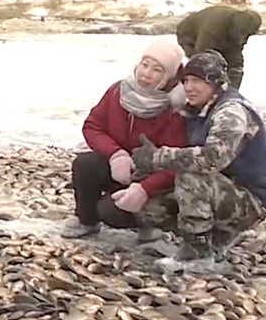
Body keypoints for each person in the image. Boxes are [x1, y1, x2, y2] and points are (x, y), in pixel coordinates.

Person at [132, 50, 266, 261]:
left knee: (192, 176)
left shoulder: (231, 112)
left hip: (250, 198)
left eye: (198, 81)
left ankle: (197, 252)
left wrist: (157, 158)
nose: (189, 87)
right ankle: (216, 236)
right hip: (221, 188)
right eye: (186, 80)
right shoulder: (194, 109)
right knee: (150, 206)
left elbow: (212, 159)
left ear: (216, 83)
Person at [61, 39, 188, 242]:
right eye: (144, 65)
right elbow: (92, 126)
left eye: (157, 70)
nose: (146, 73)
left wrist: (144, 189)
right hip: (121, 168)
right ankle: (86, 221)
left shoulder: (176, 110)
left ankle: (153, 224)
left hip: (154, 179)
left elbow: (177, 163)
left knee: (109, 211)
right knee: (85, 164)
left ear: (169, 77)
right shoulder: (118, 91)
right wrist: (116, 154)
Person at [176, 4, 261, 90]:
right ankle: (203, 93)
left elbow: (236, 52)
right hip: (189, 36)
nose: (245, 41)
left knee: (236, 67)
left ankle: (231, 94)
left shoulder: (245, 23)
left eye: (248, 35)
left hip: (225, 33)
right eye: (243, 35)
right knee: (206, 65)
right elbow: (201, 55)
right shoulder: (212, 30)